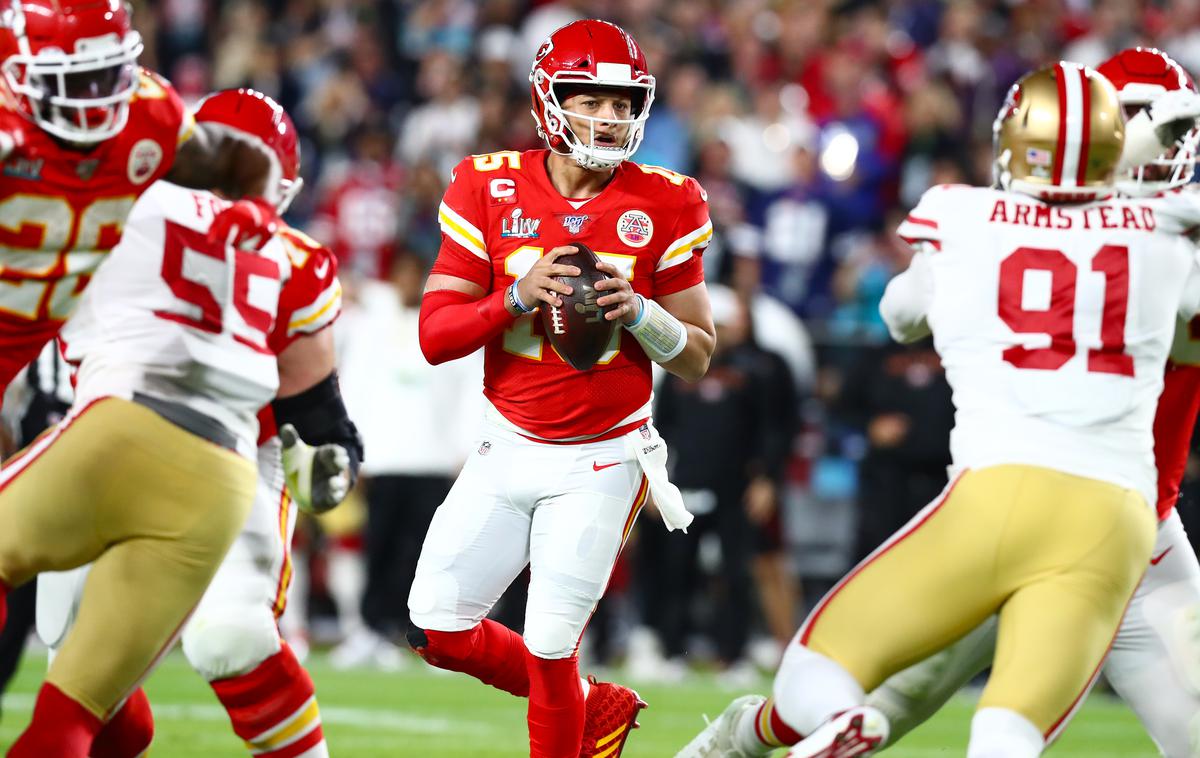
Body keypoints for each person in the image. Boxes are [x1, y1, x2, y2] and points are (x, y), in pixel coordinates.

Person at [680, 61, 1200, 758]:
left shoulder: (986, 218)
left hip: (1108, 528)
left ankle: (769, 729)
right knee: (903, 703)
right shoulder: (1168, 243)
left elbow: (912, 302)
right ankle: (748, 736)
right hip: (1116, 520)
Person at [407, 19, 715, 758]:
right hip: (505, 441)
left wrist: (641, 313)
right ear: (550, 99)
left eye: (623, 103)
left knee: (549, 639)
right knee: (438, 624)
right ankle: (594, 706)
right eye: (593, 100)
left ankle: (570, 711)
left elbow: (699, 356)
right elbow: (436, 336)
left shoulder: (668, 200)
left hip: (604, 455)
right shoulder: (488, 183)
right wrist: (511, 297)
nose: (611, 118)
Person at [0, 88, 340, 756]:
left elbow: (316, 411)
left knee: (219, 638)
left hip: (122, 434)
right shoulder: (295, 256)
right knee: (81, 691)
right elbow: (318, 398)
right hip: (215, 473)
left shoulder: (119, 206)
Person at [0, 0, 281, 401]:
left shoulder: (147, 116)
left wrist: (260, 208)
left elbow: (244, 158)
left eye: (107, 74)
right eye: (76, 81)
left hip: (49, 348)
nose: (95, 102)